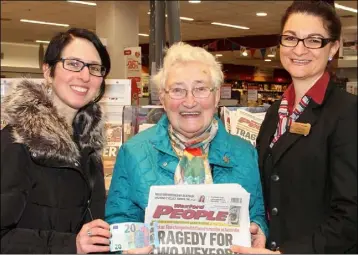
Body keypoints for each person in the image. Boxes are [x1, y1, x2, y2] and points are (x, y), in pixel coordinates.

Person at [105, 42, 268, 252]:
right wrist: (126, 249)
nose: (190, 102)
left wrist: (259, 231)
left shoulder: (244, 153)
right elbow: (120, 220)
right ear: (162, 99)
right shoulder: (134, 152)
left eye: (200, 89)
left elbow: (256, 214)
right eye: (177, 90)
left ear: (217, 96)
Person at [231, 1, 357, 254]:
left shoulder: (347, 112)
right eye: (290, 38)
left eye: (313, 40)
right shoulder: (274, 111)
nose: (299, 49)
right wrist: (258, 228)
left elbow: (351, 215)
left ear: (333, 47)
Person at [1, 28, 112, 253]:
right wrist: (71, 245)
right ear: (48, 71)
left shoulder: (88, 144)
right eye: (73, 63)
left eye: (94, 68)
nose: (84, 76)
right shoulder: (17, 142)